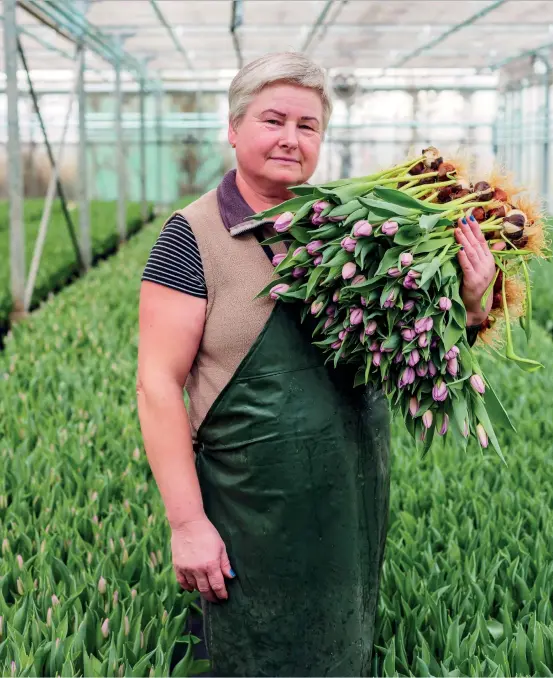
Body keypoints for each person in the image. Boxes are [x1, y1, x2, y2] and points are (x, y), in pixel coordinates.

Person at [136, 51, 501, 677]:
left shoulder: (353, 229)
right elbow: (157, 385)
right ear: (233, 127)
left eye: (307, 126)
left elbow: (412, 363)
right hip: (250, 515)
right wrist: (188, 522)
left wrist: (470, 308)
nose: (290, 138)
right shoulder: (191, 237)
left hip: (348, 507)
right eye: (273, 119)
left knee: (342, 652)